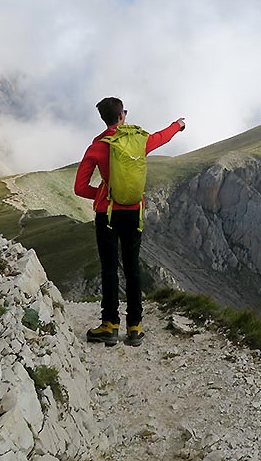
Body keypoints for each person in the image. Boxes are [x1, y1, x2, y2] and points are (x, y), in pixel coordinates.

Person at [74, 97, 185, 347]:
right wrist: (178, 125)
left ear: (104, 119)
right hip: (134, 212)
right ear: (122, 116)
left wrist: (105, 192)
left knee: (110, 269)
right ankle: (135, 327)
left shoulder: (97, 147)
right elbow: (162, 137)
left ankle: (109, 325)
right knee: (133, 268)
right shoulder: (139, 140)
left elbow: (80, 188)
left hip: (108, 214)